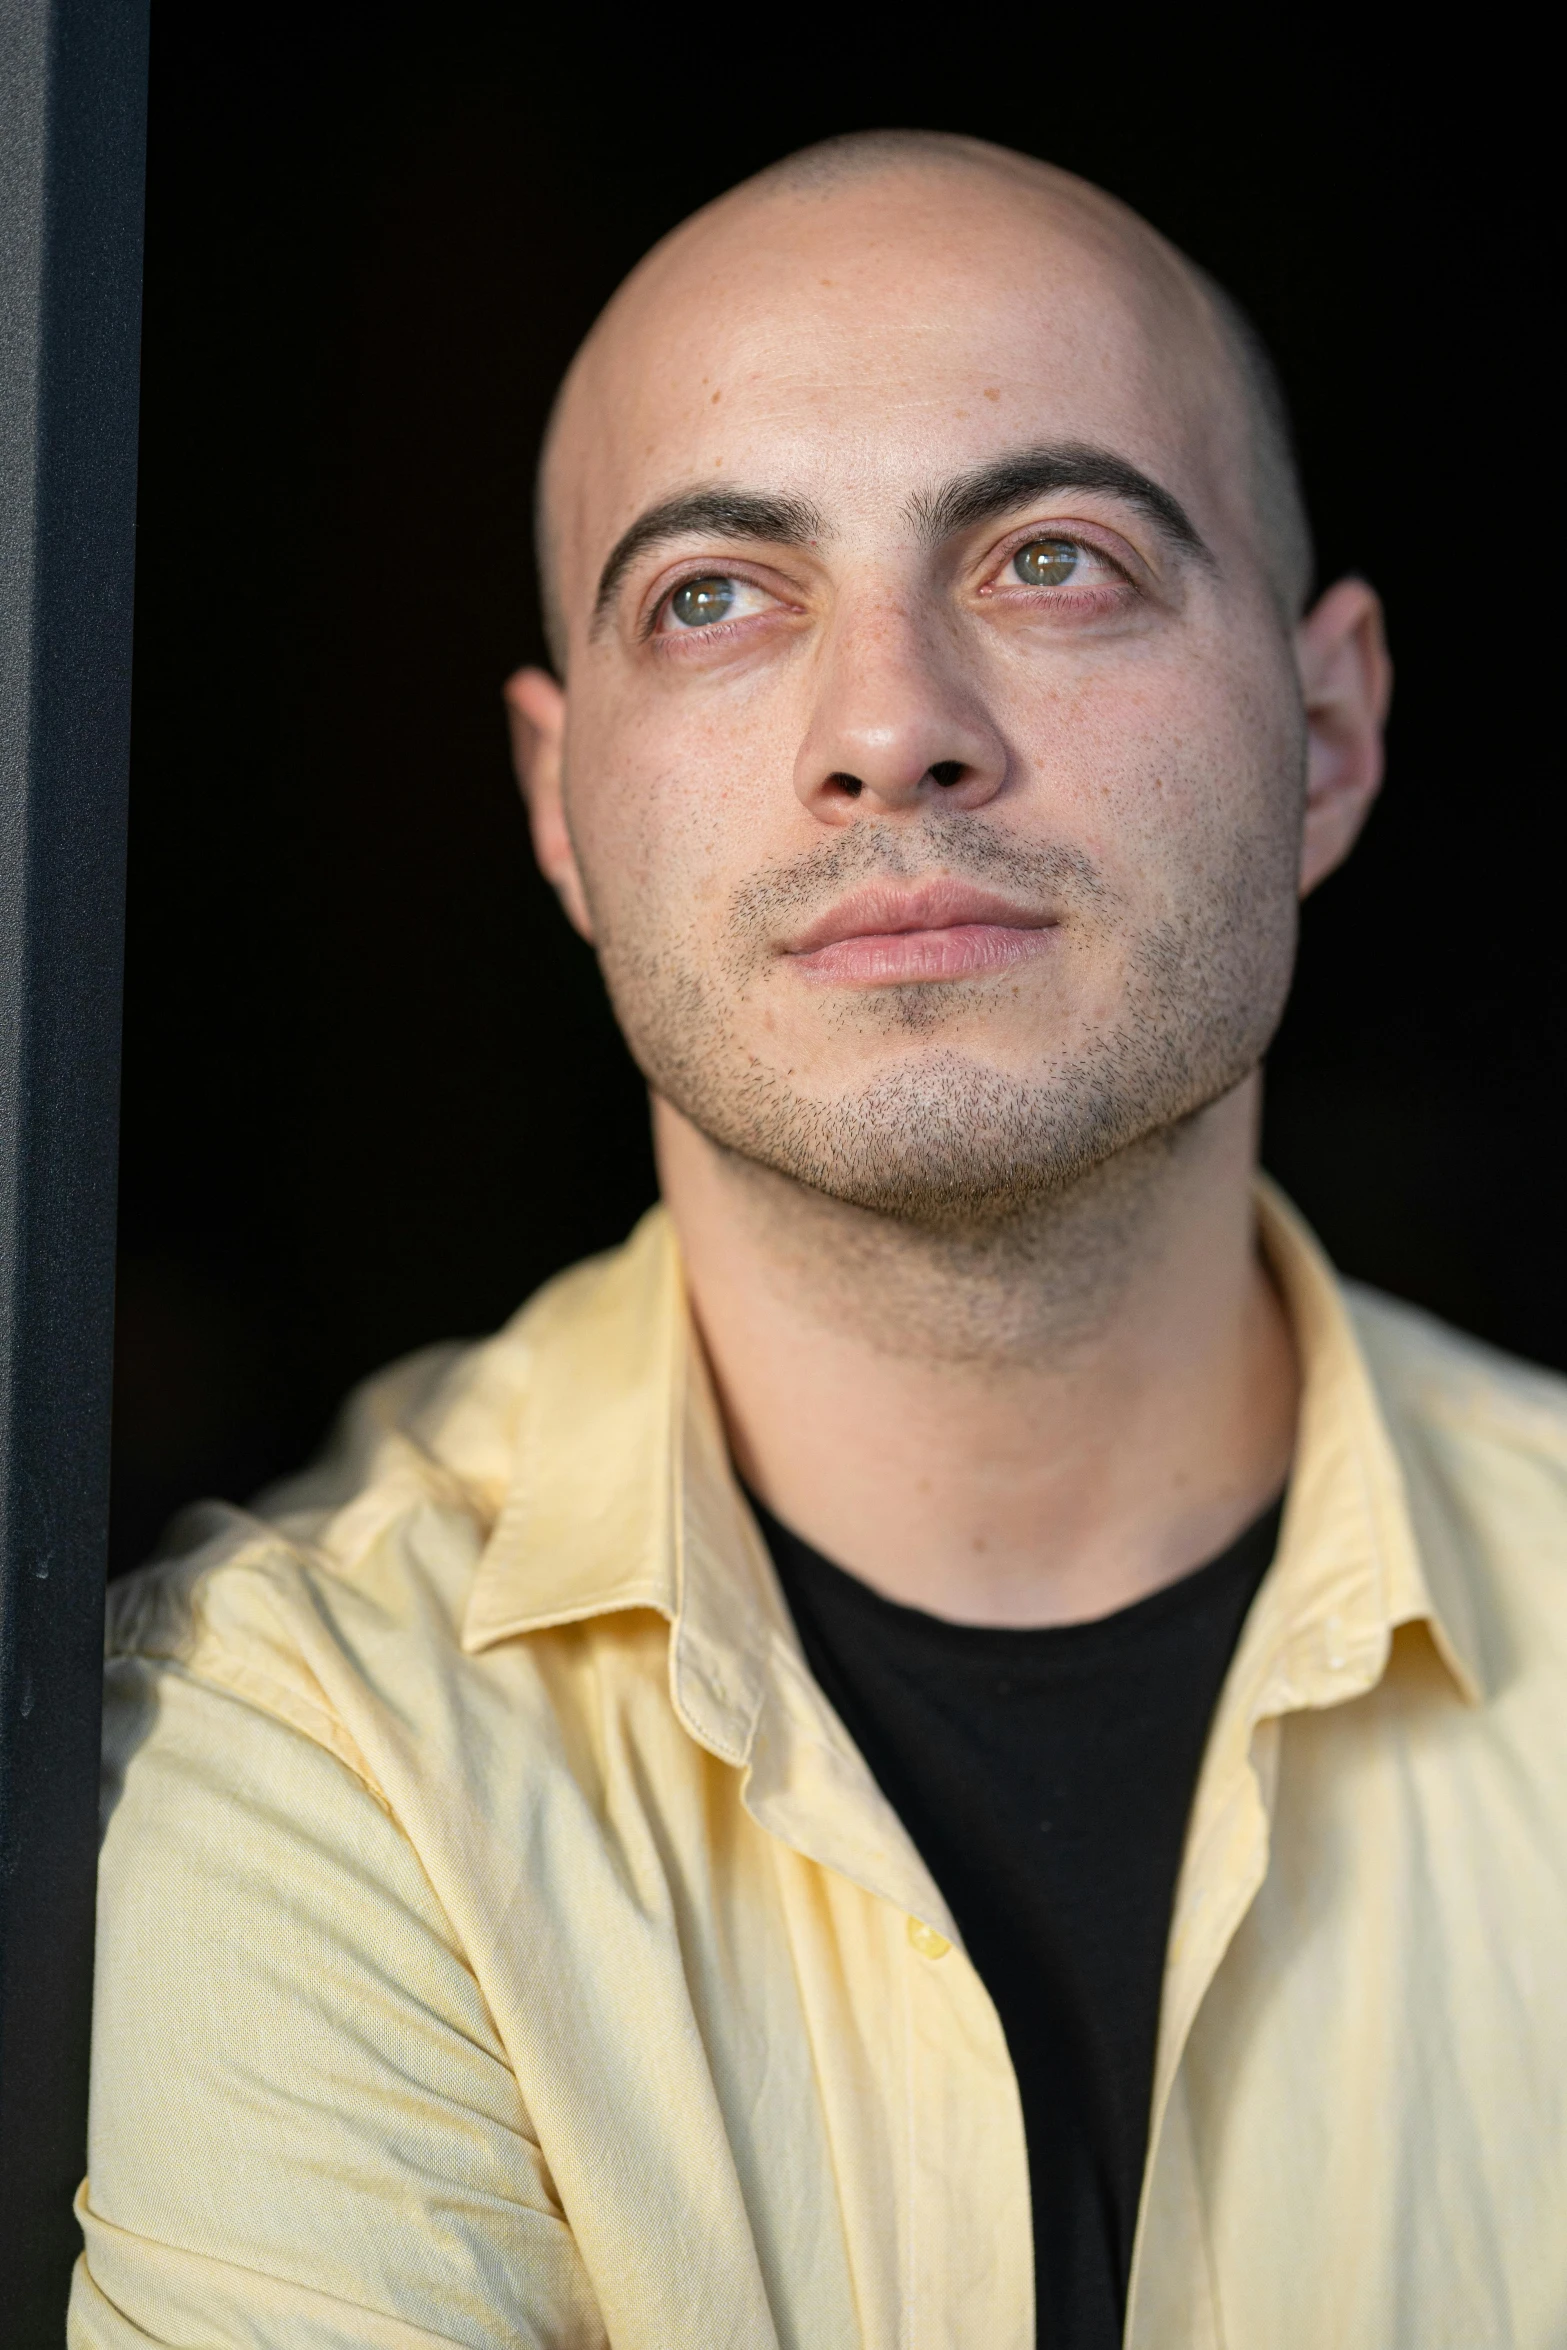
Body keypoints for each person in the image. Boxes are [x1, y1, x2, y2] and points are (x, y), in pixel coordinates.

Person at [71, 132, 1567, 2350]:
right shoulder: (301, 1744)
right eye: (715, 595)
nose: (889, 730)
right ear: (562, 807)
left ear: (1329, 731)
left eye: (1053, 559)